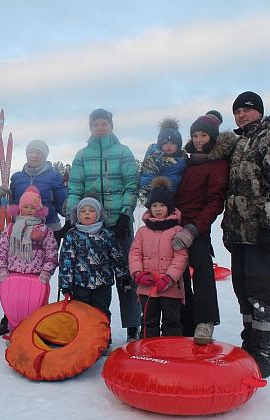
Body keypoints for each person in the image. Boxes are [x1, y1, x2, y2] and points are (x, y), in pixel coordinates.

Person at [222, 91, 270, 378]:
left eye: (247, 110)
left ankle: (266, 353)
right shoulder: (242, 141)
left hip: (265, 234)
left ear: (259, 111)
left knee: (264, 293)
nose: (241, 115)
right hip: (241, 233)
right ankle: (250, 343)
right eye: (237, 111)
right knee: (244, 292)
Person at [66, 108, 140, 341]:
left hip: (119, 224)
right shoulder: (82, 155)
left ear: (110, 126)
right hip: (90, 225)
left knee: (125, 275)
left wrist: (125, 214)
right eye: (96, 124)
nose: (100, 127)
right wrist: (73, 216)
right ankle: (88, 329)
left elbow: (131, 184)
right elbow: (75, 187)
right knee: (89, 277)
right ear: (91, 127)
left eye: (104, 124)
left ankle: (132, 324)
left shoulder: (123, 152)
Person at [173, 110, 235, 344]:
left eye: (203, 136)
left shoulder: (218, 163)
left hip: (197, 227)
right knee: (178, 274)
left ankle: (205, 321)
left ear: (212, 138)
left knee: (202, 271)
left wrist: (193, 229)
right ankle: (184, 320)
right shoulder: (186, 162)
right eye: (195, 135)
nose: (199, 140)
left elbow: (214, 202)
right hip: (175, 224)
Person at [0, 139, 66, 336]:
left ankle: (37, 319)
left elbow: (61, 202)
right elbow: (13, 202)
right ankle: (10, 318)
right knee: (15, 276)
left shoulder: (53, 176)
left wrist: (71, 210)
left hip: (47, 227)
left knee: (39, 278)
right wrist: (4, 196)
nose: (34, 155)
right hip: (18, 229)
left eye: (38, 152)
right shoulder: (17, 177)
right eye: (31, 151)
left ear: (45, 155)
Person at [59, 197, 131, 348]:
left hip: (102, 284)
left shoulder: (106, 234)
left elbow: (117, 256)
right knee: (81, 313)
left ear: (98, 214)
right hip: (79, 284)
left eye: (91, 211)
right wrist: (65, 283)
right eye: (83, 211)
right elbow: (66, 260)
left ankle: (103, 340)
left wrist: (123, 275)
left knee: (101, 312)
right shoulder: (72, 235)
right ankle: (83, 341)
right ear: (77, 215)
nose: (87, 214)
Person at [0, 186, 58, 333]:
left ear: (39, 210)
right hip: (12, 274)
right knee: (15, 305)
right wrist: (1, 269)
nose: (29, 210)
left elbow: (51, 252)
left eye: (32, 207)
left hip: (35, 276)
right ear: (19, 209)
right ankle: (15, 332)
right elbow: (1, 249)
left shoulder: (44, 231)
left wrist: (46, 272)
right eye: (26, 206)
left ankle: (33, 333)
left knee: (35, 306)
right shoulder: (11, 229)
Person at [129, 177, 188, 338]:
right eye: (154, 205)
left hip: (170, 287)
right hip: (147, 288)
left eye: (162, 205)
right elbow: (135, 253)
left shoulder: (177, 231)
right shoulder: (142, 231)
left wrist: (169, 278)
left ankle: (171, 354)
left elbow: (181, 257)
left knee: (171, 322)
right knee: (149, 321)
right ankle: (148, 354)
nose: (158, 209)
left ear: (169, 207)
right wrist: (138, 274)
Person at [139, 117, 187, 197]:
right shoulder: (154, 159)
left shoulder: (183, 160)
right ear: (160, 144)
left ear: (178, 146)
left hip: (177, 198)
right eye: (165, 143)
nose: (169, 146)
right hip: (158, 198)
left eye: (172, 143)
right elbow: (148, 176)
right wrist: (149, 194)